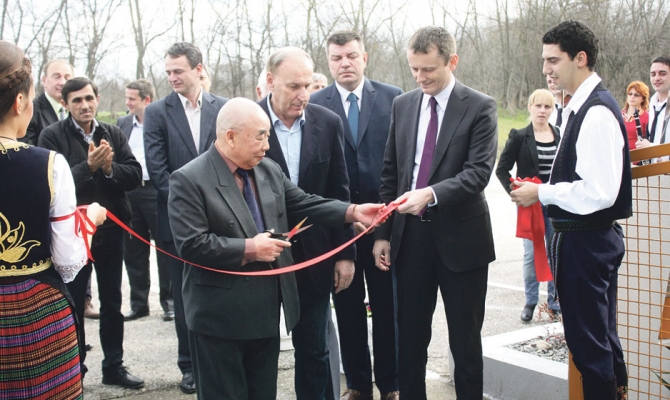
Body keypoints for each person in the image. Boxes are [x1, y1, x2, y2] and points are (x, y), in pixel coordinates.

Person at [167, 97, 386, 399]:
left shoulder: (267, 169)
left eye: (268, 136)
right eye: (259, 137)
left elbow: (304, 203)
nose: (267, 146)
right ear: (230, 137)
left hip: (265, 314)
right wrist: (249, 248)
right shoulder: (189, 179)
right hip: (219, 318)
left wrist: (352, 211)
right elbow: (191, 245)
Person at [374, 26, 497, 399]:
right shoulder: (403, 105)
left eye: (428, 69)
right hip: (410, 240)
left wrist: (430, 194)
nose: (420, 77)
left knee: (465, 342)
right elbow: (391, 173)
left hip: (463, 242)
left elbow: (478, 173)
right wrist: (383, 233)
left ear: (452, 61)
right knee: (410, 340)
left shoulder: (480, 106)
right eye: (414, 68)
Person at [511, 20, 632, 399]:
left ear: (580, 59)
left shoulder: (596, 113)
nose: (546, 69)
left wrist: (541, 192)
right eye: (544, 60)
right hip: (585, 242)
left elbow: (599, 193)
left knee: (590, 346)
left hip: (587, 243)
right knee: (599, 339)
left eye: (553, 60)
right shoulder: (578, 108)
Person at [0, 40, 108, 399]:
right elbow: (68, 261)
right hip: (33, 312)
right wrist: (90, 220)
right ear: (19, 102)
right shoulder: (48, 164)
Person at [310, 30, 403, 400]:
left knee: (387, 309)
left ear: (364, 58)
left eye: (351, 56)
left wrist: (386, 231)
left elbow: (398, 169)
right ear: (328, 62)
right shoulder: (316, 104)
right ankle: (358, 384)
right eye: (336, 58)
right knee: (347, 310)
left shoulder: (394, 99)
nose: (344, 63)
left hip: (383, 226)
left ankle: (391, 383)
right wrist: (340, 238)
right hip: (339, 229)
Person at [37, 77, 145, 389]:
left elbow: (135, 175)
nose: (85, 105)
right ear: (65, 105)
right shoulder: (52, 135)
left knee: (112, 302)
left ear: (97, 98)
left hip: (111, 230)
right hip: (73, 234)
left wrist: (109, 169)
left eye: (89, 98)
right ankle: (76, 370)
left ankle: (114, 366)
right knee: (73, 303)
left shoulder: (111, 132)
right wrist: (88, 167)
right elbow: (51, 184)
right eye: (77, 101)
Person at [260, 46, 354, 400]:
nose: (303, 95)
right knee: (260, 353)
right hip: (262, 259)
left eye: (307, 86)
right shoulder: (246, 122)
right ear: (271, 81)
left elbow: (338, 192)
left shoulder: (328, 123)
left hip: (315, 257)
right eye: (293, 86)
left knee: (314, 350)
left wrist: (345, 255)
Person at [143, 41, 227, 394]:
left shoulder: (223, 108)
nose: (172, 77)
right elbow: (157, 169)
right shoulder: (156, 113)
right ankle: (189, 366)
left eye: (178, 71)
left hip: (224, 220)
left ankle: (220, 361)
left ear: (198, 69)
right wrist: (191, 206)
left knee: (221, 294)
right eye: (168, 72)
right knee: (184, 297)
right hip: (176, 224)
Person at [495, 89, 561, 322]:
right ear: (530, 107)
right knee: (531, 254)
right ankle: (531, 301)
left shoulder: (559, 135)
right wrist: (516, 193)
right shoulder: (519, 136)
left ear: (552, 109)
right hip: (529, 205)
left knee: (555, 252)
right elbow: (502, 169)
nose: (542, 111)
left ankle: (554, 302)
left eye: (547, 106)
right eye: (538, 106)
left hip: (554, 202)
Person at [117, 79, 173, 322]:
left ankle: (170, 302)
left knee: (164, 248)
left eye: (132, 98)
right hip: (130, 193)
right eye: (127, 98)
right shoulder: (122, 123)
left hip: (154, 191)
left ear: (146, 100)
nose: (127, 103)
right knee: (133, 250)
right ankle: (139, 304)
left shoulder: (162, 121)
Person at [21, 59, 74, 145]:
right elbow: (27, 149)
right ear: (44, 80)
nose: (62, 82)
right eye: (57, 77)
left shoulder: (78, 110)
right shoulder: (31, 111)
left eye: (67, 78)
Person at [636, 56, 670, 161]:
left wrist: (650, 147)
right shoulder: (653, 104)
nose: (657, 78)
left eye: (662, 74)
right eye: (653, 74)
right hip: (654, 170)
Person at [621, 81, 649, 151]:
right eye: (630, 94)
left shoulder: (647, 117)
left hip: (637, 155)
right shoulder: (619, 115)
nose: (632, 97)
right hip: (621, 155)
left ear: (643, 99)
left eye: (636, 95)